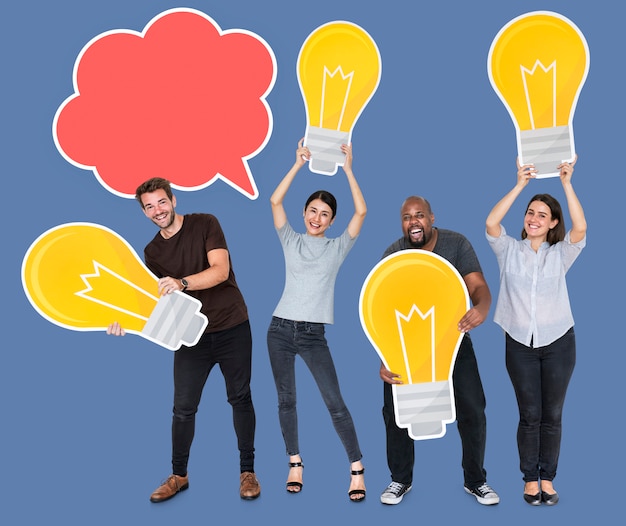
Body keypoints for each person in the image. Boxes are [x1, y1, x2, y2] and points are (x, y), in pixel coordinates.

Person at [107, 177, 261, 502]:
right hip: (190, 336)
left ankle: (247, 472)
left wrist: (181, 282)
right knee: (183, 409)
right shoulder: (152, 252)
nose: (157, 210)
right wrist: (121, 320)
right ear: (144, 212)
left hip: (232, 326)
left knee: (240, 398)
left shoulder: (205, 223)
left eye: (161, 202)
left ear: (173, 200)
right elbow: (152, 302)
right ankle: (179, 476)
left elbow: (220, 270)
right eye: (149, 207)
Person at [379, 195, 500, 506]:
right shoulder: (394, 254)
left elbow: (476, 285)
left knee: (473, 408)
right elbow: (380, 310)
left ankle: (475, 481)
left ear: (431, 217)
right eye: (407, 217)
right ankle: (399, 480)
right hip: (408, 347)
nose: (413, 222)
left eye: (419, 215)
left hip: (454, 341)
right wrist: (384, 359)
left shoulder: (456, 244)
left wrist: (483, 307)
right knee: (396, 412)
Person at [266, 139, 367, 502]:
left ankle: (356, 468)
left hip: (312, 334)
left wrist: (348, 169)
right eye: (312, 210)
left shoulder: (337, 247)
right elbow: (275, 201)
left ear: (331, 221)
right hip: (279, 329)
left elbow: (362, 212)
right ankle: (295, 462)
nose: (316, 218)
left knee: (334, 401)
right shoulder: (290, 239)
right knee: (285, 401)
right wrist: (296, 164)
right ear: (305, 212)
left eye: (324, 214)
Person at [485, 158, 586, 506]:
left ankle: (549, 478)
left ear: (553, 222)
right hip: (519, 343)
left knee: (553, 415)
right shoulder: (508, 249)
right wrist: (519, 186)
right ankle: (530, 479)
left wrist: (567, 184)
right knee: (529, 415)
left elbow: (582, 228)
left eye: (543, 214)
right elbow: (491, 222)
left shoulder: (561, 254)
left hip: (559, 343)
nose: (534, 218)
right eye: (531, 212)